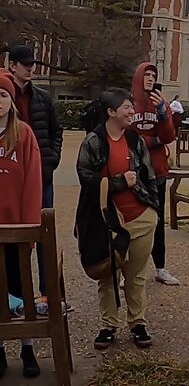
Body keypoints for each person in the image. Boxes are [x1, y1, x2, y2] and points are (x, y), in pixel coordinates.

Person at [76, 88, 161, 352]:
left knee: (136, 275)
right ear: (111, 112)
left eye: (132, 107)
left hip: (140, 217)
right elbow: (85, 179)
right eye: (126, 107)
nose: (132, 112)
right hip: (107, 220)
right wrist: (118, 182)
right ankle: (108, 325)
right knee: (108, 274)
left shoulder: (135, 140)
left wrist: (153, 210)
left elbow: (149, 176)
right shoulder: (93, 142)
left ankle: (138, 323)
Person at [6, 45, 62, 299]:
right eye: (25, 63)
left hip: (42, 175)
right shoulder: (5, 95)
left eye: (32, 64)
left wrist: (50, 160)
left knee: (44, 232)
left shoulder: (42, 97)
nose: (30, 68)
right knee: (13, 234)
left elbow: (55, 131)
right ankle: (14, 293)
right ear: (12, 65)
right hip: (12, 178)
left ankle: (47, 292)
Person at [0, 70, 45, 378]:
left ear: (11, 100)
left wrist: (30, 229)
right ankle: (0, 349)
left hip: (17, 227)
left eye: (2, 95)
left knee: (22, 289)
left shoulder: (24, 134)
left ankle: (28, 348)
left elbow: (33, 184)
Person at [127, 63, 180, 287]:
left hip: (157, 171)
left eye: (153, 76)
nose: (150, 79)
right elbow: (128, 136)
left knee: (157, 220)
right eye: (146, 75)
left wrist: (162, 115)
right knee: (130, 220)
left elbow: (168, 136)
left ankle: (160, 267)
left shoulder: (161, 104)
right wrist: (151, 140)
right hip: (133, 171)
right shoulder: (129, 103)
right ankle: (128, 269)